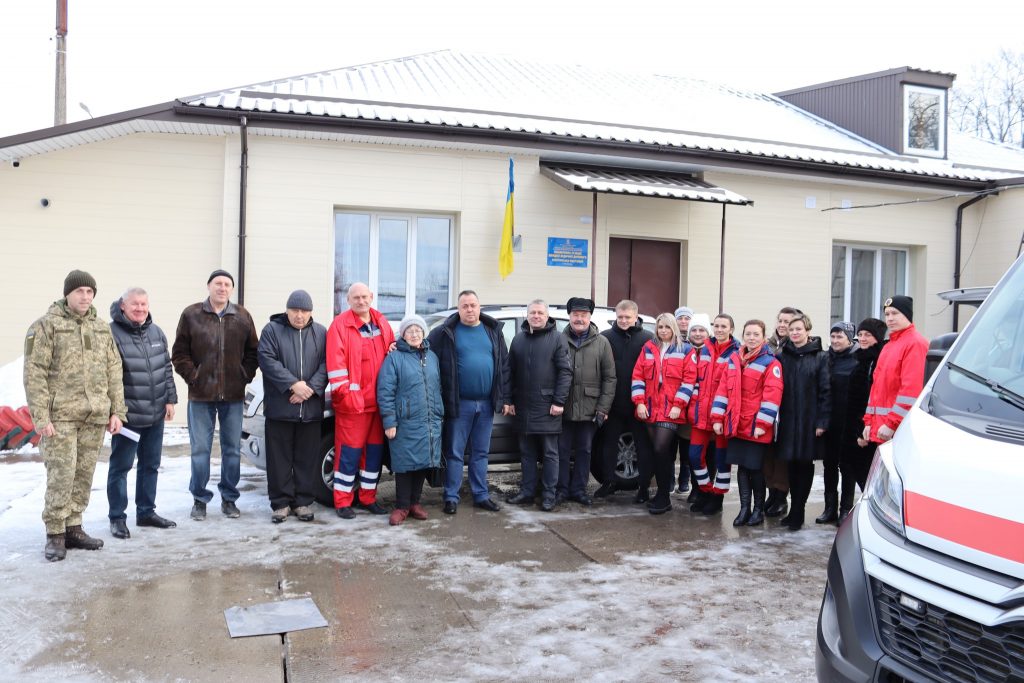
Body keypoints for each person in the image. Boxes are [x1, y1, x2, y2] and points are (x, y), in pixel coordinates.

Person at [24, 270, 126, 561]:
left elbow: (114, 371)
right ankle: (55, 532)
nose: (85, 297)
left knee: (83, 475)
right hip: (61, 418)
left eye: (90, 292)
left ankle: (74, 527)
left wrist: (117, 410)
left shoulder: (101, 328)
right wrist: (41, 418)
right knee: (62, 475)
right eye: (79, 291)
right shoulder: (46, 326)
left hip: (93, 416)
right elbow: (34, 374)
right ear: (67, 294)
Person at [172, 269, 259, 521]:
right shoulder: (191, 315)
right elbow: (179, 354)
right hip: (200, 396)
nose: (222, 288)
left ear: (231, 289)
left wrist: (245, 374)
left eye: (227, 284)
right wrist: (194, 376)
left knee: (232, 450)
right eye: (218, 283)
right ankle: (199, 499)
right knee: (200, 450)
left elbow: (254, 352)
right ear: (208, 286)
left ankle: (229, 499)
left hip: (232, 396)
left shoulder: (242, 316)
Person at [426, 290, 510, 515]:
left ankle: (480, 495)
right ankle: (451, 497)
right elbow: (420, 346)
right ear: (459, 308)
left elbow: (504, 367)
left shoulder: (493, 331)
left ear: (479, 307)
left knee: (481, 453)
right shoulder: (445, 332)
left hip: (486, 404)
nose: (470, 309)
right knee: (455, 452)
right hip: (459, 404)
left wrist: (505, 398)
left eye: (473, 305)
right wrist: (396, 345)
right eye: (465, 306)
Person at [107, 287, 178, 539]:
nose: (140, 308)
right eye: (135, 304)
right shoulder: (111, 334)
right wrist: (112, 411)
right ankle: (117, 517)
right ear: (123, 306)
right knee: (121, 467)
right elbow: (106, 377)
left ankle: (146, 512)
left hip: (156, 412)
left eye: (144, 304)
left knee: (150, 465)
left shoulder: (156, 332)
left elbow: (166, 367)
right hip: (128, 416)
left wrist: (170, 399)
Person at [257, 290, 327, 524]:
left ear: (310, 312)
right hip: (281, 407)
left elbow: (328, 364)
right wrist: (292, 385)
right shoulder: (272, 330)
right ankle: (280, 503)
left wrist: (309, 389)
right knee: (279, 459)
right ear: (287, 310)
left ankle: (303, 502)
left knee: (307, 458)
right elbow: (267, 360)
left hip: (310, 409)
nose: (299, 315)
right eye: (295, 310)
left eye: (304, 311)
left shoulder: (320, 333)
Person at [325, 282, 395, 519]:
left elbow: (391, 354)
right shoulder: (340, 325)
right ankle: (342, 501)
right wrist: (346, 395)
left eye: (364, 296)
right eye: (356, 297)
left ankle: (367, 498)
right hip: (353, 405)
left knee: (373, 454)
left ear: (371, 297)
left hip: (379, 404)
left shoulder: (381, 322)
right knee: (349, 454)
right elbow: (335, 367)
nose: (361, 301)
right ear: (348, 300)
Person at [714, 319, 783, 526]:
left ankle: (758, 510)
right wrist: (718, 418)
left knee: (755, 469)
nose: (751, 338)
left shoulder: (771, 363)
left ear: (763, 337)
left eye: (756, 334)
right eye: (748, 334)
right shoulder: (734, 360)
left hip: (756, 427)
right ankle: (744, 509)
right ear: (743, 336)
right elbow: (723, 391)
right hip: (736, 424)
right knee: (742, 469)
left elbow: (772, 396)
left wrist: (762, 425)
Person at [377, 315, 443, 526]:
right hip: (405, 421)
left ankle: (415, 503)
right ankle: (402, 506)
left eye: (418, 330)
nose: (414, 334)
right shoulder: (394, 358)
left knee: (423, 462)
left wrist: (439, 413)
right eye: (409, 331)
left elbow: (437, 386)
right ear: (403, 335)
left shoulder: (432, 357)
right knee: (405, 465)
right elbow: (385, 391)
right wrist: (389, 421)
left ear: (423, 333)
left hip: (429, 420)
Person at [506, 300, 572, 511]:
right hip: (523, 407)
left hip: (548, 407)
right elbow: (509, 373)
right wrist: (509, 399)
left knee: (550, 454)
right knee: (526, 453)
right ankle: (527, 492)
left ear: (547, 315)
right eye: (532, 312)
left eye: (540, 313)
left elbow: (565, 372)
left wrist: (559, 401)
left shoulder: (557, 339)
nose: (536, 316)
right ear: (527, 315)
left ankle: (548, 495)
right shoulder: (518, 340)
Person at [631, 313, 696, 514]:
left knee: (661, 449)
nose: (664, 331)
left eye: (668, 327)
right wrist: (639, 403)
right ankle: (660, 493)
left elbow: (689, 380)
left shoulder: (685, 350)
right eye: (660, 327)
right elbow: (637, 376)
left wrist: (678, 405)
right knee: (655, 452)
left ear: (674, 328)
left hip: (670, 410)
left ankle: (663, 495)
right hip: (649, 408)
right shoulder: (649, 348)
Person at [557, 297, 616, 507]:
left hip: (590, 409)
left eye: (583, 315)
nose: (579, 319)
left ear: (590, 317)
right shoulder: (558, 339)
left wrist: (602, 408)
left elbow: (610, 378)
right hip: (562, 407)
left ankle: (579, 490)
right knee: (561, 451)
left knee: (585, 451)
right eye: (575, 315)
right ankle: (561, 489)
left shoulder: (602, 343)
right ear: (569, 316)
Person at [775, 313, 831, 531]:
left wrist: (822, 421)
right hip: (788, 419)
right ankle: (792, 509)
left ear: (807, 330)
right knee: (790, 465)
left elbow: (826, 391)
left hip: (810, 420)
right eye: (791, 329)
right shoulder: (782, 355)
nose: (795, 333)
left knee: (805, 466)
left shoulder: (821, 356)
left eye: (799, 329)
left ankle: (799, 510)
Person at [595, 300, 654, 499]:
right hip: (613, 403)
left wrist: (645, 402)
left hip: (639, 405)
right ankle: (608, 482)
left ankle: (644, 487)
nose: (623, 320)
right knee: (609, 445)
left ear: (636, 317)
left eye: (627, 317)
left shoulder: (648, 339)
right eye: (620, 317)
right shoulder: (604, 338)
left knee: (642, 447)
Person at [687, 313, 740, 515]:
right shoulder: (702, 349)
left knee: (721, 459)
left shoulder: (736, 352)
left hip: (723, 414)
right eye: (716, 326)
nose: (719, 329)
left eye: (723, 326)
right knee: (694, 456)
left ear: (731, 329)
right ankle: (705, 491)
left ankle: (717, 498)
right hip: (701, 412)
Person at [863, 296, 928, 445]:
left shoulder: (915, 344)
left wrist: (892, 423)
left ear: (907, 315)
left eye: (895, 313)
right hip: (884, 427)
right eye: (887, 314)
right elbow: (877, 388)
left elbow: (911, 391)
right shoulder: (889, 346)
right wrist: (869, 421)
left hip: (899, 429)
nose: (890, 318)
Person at [840, 318, 887, 523]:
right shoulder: (863, 358)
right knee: (851, 467)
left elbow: (871, 397)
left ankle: (874, 515)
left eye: (868, 334)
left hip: (865, 430)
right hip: (854, 426)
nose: (863, 338)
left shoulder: (876, 360)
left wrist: (862, 430)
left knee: (865, 473)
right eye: (861, 334)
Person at [818, 321, 857, 525]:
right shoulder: (825, 358)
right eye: (832, 337)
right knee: (829, 465)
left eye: (839, 337)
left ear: (849, 339)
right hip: (828, 421)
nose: (834, 341)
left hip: (848, 422)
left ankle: (845, 509)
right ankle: (829, 508)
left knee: (847, 467)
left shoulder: (855, 360)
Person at [764, 306, 800, 517]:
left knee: (781, 456)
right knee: (766, 455)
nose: (783, 325)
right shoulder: (767, 344)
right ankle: (771, 492)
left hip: (787, 408)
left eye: (788, 322)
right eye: (781, 321)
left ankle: (781, 496)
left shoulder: (796, 347)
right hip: (767, 407)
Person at [672, 306, 694, 496]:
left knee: (686, 447)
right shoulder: (670, 340)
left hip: (690, 403)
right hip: (671, 403)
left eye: (687, 318)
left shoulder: (697, 340)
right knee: (671, 446)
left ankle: (684, 480)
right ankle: (670, 479)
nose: (684, 321)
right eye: (680, 318)